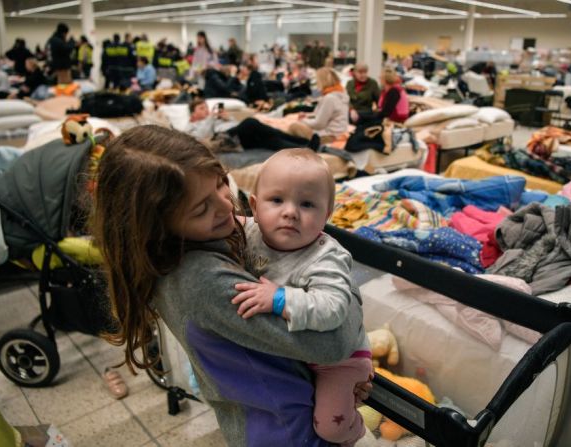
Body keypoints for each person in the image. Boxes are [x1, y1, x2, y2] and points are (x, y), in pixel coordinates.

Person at [92, 125, 369, 446]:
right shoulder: (201, 280)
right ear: (156, 225)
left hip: (284, 410)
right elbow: (333, 345)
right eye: (201, 208)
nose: (227, 206)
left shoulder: (190, 243)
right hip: (288, 428)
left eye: (221, 183)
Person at [234, 149, 373, 445]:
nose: (290, 212)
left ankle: (358, 430)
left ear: (327, 215)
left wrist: (280, 299)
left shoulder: (326, 256)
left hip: (341, 361)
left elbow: (333, 308)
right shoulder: (249, 231)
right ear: (255, 207)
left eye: (307, 204)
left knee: (330, 428)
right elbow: (226, 224)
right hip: (297, 353)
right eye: (277, 200)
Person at [186, 98, 320, 151]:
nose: (206, 110)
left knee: (270, 139)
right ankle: (302, 143)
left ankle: (304, 147)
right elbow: (203, 137)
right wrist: (211, 118)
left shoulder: (215, 118)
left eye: (206, 107)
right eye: (201, 108)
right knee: (250, 122)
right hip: (223, 140)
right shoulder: (191, 126)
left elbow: (237, 125)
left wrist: (228, 118)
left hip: (236, 136)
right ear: (192, 113)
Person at [288, 67, 349, 144]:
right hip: (337, 133)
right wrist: (307, 116)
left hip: (328, 136)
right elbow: (324, 115)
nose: (316, 83)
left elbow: (319, 124)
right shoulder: (340, 94)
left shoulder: (329, 98)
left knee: (293, 127)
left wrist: (303, 121)